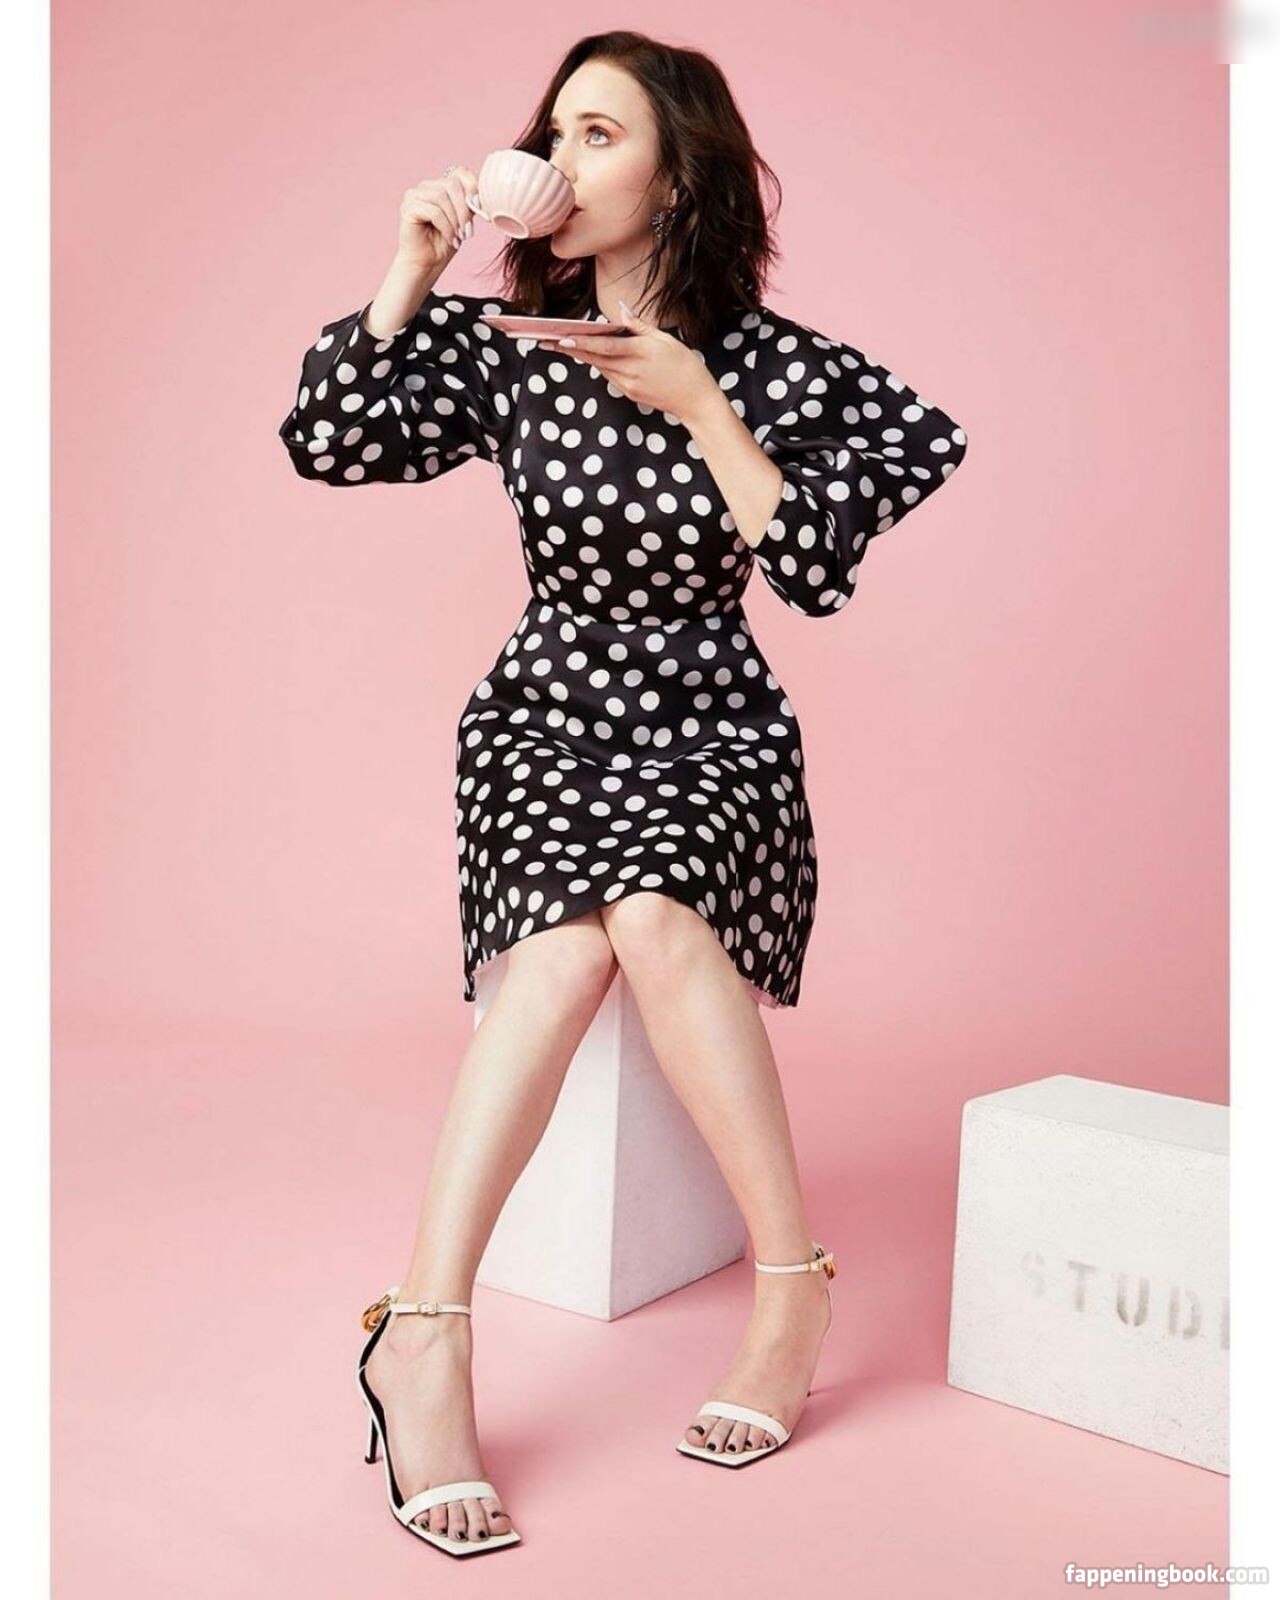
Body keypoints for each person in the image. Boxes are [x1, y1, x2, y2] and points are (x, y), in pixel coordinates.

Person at [278, 30, 968, 1558]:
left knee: (648, 910)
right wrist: (410, 269)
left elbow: (817, 575)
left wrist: (704, 407)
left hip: (715, 724)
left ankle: (787, 1294)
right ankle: (427, 1333)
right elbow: (325, 442)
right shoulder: (511, 347)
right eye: (555, 133)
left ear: (676, 178)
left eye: (601, 135)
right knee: (564, 945)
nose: (561, 161)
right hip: (542, 716)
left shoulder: (776, 365)